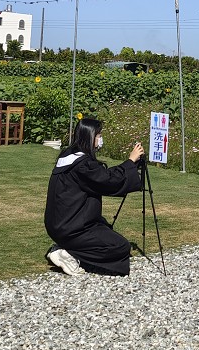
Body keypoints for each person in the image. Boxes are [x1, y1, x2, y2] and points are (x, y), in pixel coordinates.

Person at [43, 118, 146, 276]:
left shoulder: (68, 155)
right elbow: (107, 180)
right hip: (72, 227)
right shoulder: (81, 164)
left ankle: (66, 247)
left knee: (105, 229)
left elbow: (102, 176)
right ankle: (69, 255)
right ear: (89, 136)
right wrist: (131, 162)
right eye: (98, 135)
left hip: (61, 224)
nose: (100, 139)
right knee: (120, 247)